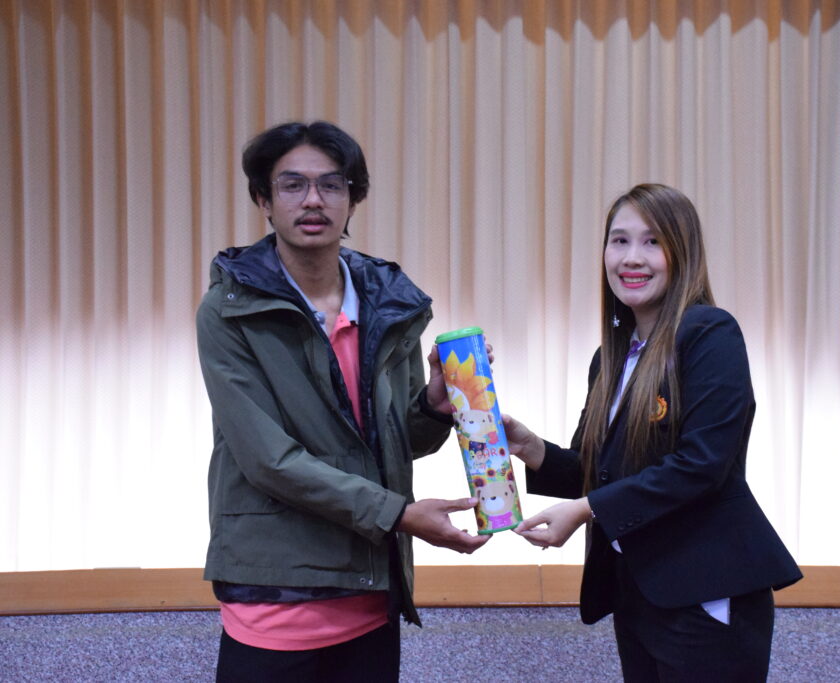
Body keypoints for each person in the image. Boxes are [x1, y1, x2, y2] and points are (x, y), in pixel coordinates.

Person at [195, 120, 489, 682]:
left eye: (332, 185)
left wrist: (432, 405)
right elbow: (267, 460)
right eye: (292, 185)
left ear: (353, 199)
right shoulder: (228, 310)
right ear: (264, 200)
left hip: (369, 586)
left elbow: (400, 442)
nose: (313, 200)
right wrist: (398, 514)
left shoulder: (389, 301)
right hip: (276, 593)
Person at [503, 184, 802, 681]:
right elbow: (598, 474)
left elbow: (700, 465)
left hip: (705, 594)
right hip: (637, 592)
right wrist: (531, 448)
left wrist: (585, 510)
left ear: (682, 252)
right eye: (619, 241)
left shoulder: (709, 333)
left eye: (652, 242)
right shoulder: (610, 358)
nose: (631, 258)